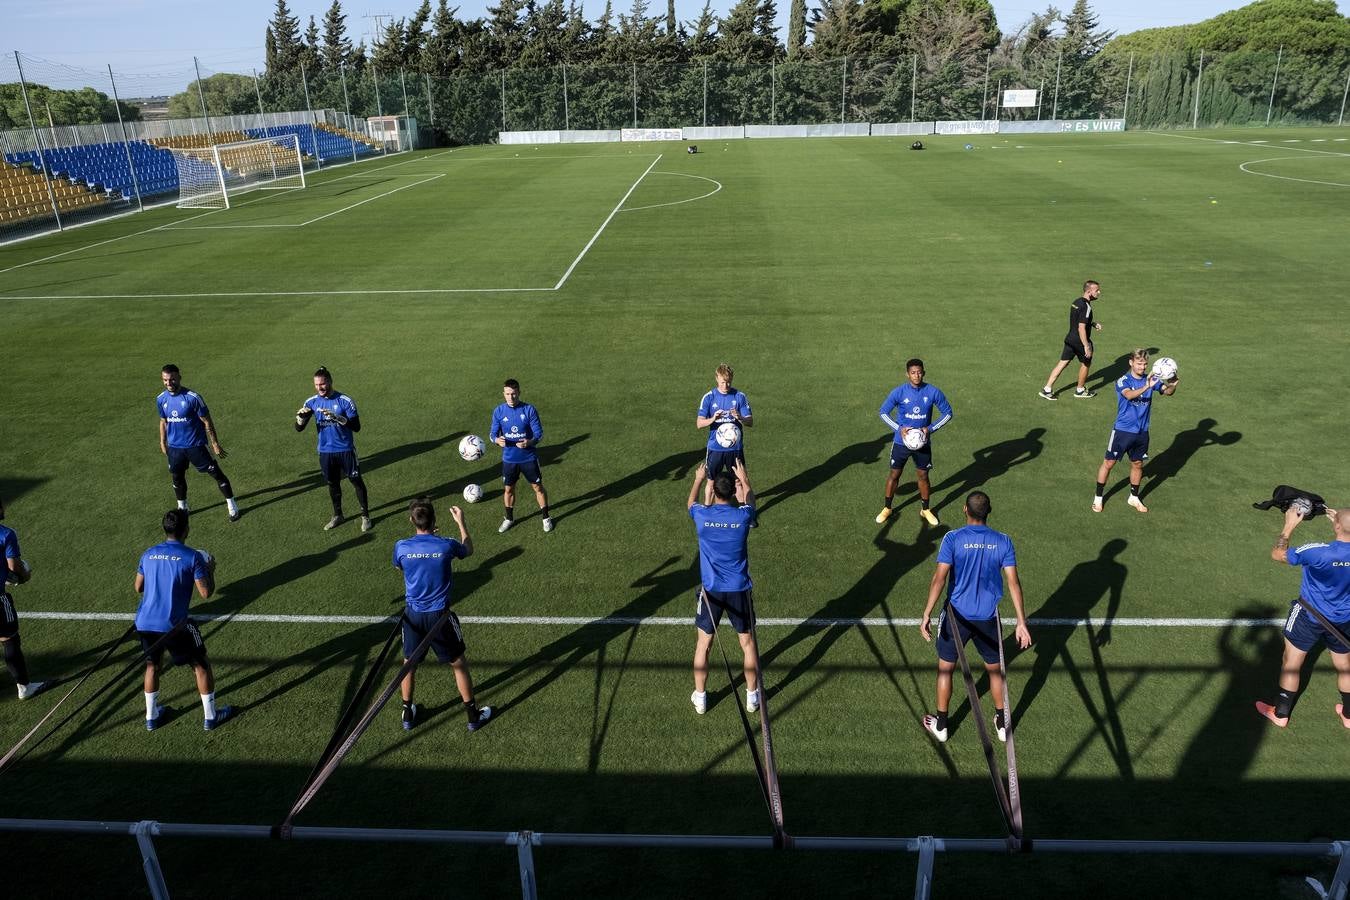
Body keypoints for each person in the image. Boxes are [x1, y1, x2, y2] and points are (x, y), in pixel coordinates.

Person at [919, 491, 1031, 743]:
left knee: (945, 670)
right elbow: (1013, 583)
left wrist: (926, 613)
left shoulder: (953, 538)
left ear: (964, 510)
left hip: (956, 616)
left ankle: (942, 725)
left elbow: (939, 578)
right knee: (995, 671)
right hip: (988, 618)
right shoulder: (1003, 541)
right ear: (988, 512)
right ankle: (1002, 723)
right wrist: (1021, 622)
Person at [392, 498, 492, 732]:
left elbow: (400, 566)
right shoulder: (445, 545)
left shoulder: (402, 547)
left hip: (413, 616)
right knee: (458, 664)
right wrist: (461, 523)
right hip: (440, 617)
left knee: (409, 664)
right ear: (435, 520)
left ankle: (407, 713)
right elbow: (468, 549)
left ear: (411, 520)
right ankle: (472, 716)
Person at [134, 509, 233, 731]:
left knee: (152, 666)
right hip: (174, 625)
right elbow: (206, 593)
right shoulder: (192, 556)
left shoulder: (148, 554)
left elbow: (138, 587)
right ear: (186, 529)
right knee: (201, 665)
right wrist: (210, 571)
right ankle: (211, 717)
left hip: (144, 623)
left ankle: (152, 717)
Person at [1256, 505, 1350, 729]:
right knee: (1346, 666)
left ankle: (1281, 713)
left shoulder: (1316, 551)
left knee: (1291, 663)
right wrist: (1341, 524)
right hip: (1345, 619)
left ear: (1337, 525)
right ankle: (1349, 715)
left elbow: (1278, 554)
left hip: (1308, 617)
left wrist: (1288, 526)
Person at [688, 458, 760, 715]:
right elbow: (751, 503)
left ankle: (701, 697)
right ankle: (752, 697)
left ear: (715, 491)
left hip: (711, 592)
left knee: (703, 646)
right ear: (732, 491)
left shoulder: (701, 516)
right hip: (739, 589)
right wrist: (746, 480)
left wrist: (698, 479)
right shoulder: (743, 518)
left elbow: (690, 504)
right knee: (747, 643)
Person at [1093, 348, 1178, 513]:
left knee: (1138, 464)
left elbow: (1167, 392)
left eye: (1145, 364)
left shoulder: (1151, 378)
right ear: (1131, 363)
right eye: (1139, 363)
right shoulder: (1123, 380)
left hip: (1142, 432)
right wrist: (1147, 386)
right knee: (1109, 463)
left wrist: (1173, 384)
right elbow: (1129, 395)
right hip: (1122, 431)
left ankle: (1133, 497)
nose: (1143, 367)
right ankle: (1098, 497)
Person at [157, 364, 240, 522]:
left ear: (179, 377)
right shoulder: (161, 399)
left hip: (196, 446)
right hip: (175, 448)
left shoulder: (192, 398)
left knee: (217, 474)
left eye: (172, 379)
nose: (169, 383)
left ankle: (232, 506)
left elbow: (207, 421)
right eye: (165, 380)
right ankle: (183, 507)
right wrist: (163, 441)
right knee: (177, 477)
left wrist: (214, 443)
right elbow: (163, 421)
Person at [877, 358, 953, 527]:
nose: (916, 375)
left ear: (924, 373)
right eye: (913, 373)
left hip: (923, 444)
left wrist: (930, 429)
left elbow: (947, 413)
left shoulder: (933, 392)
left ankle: (925, 509)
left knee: (923, 476)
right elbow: (883, 412)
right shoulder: (899, 392)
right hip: (901, 443)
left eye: (919, 372)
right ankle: (887, 508)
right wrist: (899, 428)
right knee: (894, 475)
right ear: (907, 374)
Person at [296, 366, 371, 533]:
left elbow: (356, 427)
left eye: (322, 384)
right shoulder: (312, 402)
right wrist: (300, 419)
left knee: (356, 482)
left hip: (345, 450)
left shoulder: (345, 401)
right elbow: (298, 428)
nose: (319, 388)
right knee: (332, 483)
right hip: (325, 452)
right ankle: (338, 515)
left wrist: (338, 418)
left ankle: (365, 516)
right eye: (316, 385)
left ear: (330, 382)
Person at [490, 379, 552, 534]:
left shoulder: (529, 410)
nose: (511, 397)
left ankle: (546, 517)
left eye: (514, 394)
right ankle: (509, 519)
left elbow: (539, 433)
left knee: (537, 487)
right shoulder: (498, 411)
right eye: (508, 394)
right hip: (509, 460)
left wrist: (529, 442)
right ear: (503, 394)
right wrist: (497, 440)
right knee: (508, 490)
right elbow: (492, 434)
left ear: (519, 392)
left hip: (528, 458)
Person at [693, 364, 754, 515]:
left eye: (728, 382)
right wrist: (713, 418)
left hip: (735, 449)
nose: (725, 385)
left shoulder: (740, 396)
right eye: (722, 382)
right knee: (711, 481)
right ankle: (708, 511)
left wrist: (739, 417)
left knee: (739, 481)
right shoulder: (709, 397)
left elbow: (750, 422)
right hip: (715, 449)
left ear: (732, 379)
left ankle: (745, 513)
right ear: (716, 379)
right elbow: (699, 424)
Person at [1, 497, 46, 700]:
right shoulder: (6, 534)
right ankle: (24, 687)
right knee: (9, 637)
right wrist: (24, 576)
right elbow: (14, 567)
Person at [1040, 280, 1103, 400]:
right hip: (1080, 340)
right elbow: (1081, 328)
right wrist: (1086, 345)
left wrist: (1093, 324)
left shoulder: (1076, 302)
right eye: (1097, 290)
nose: (1099, 292)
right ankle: (1080, 390)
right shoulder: (1086, 307)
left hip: (1070, 338)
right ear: (1089, 291)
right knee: (1086, 363)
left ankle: (1047, 389)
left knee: (1063, 362)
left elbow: (1079, 320)